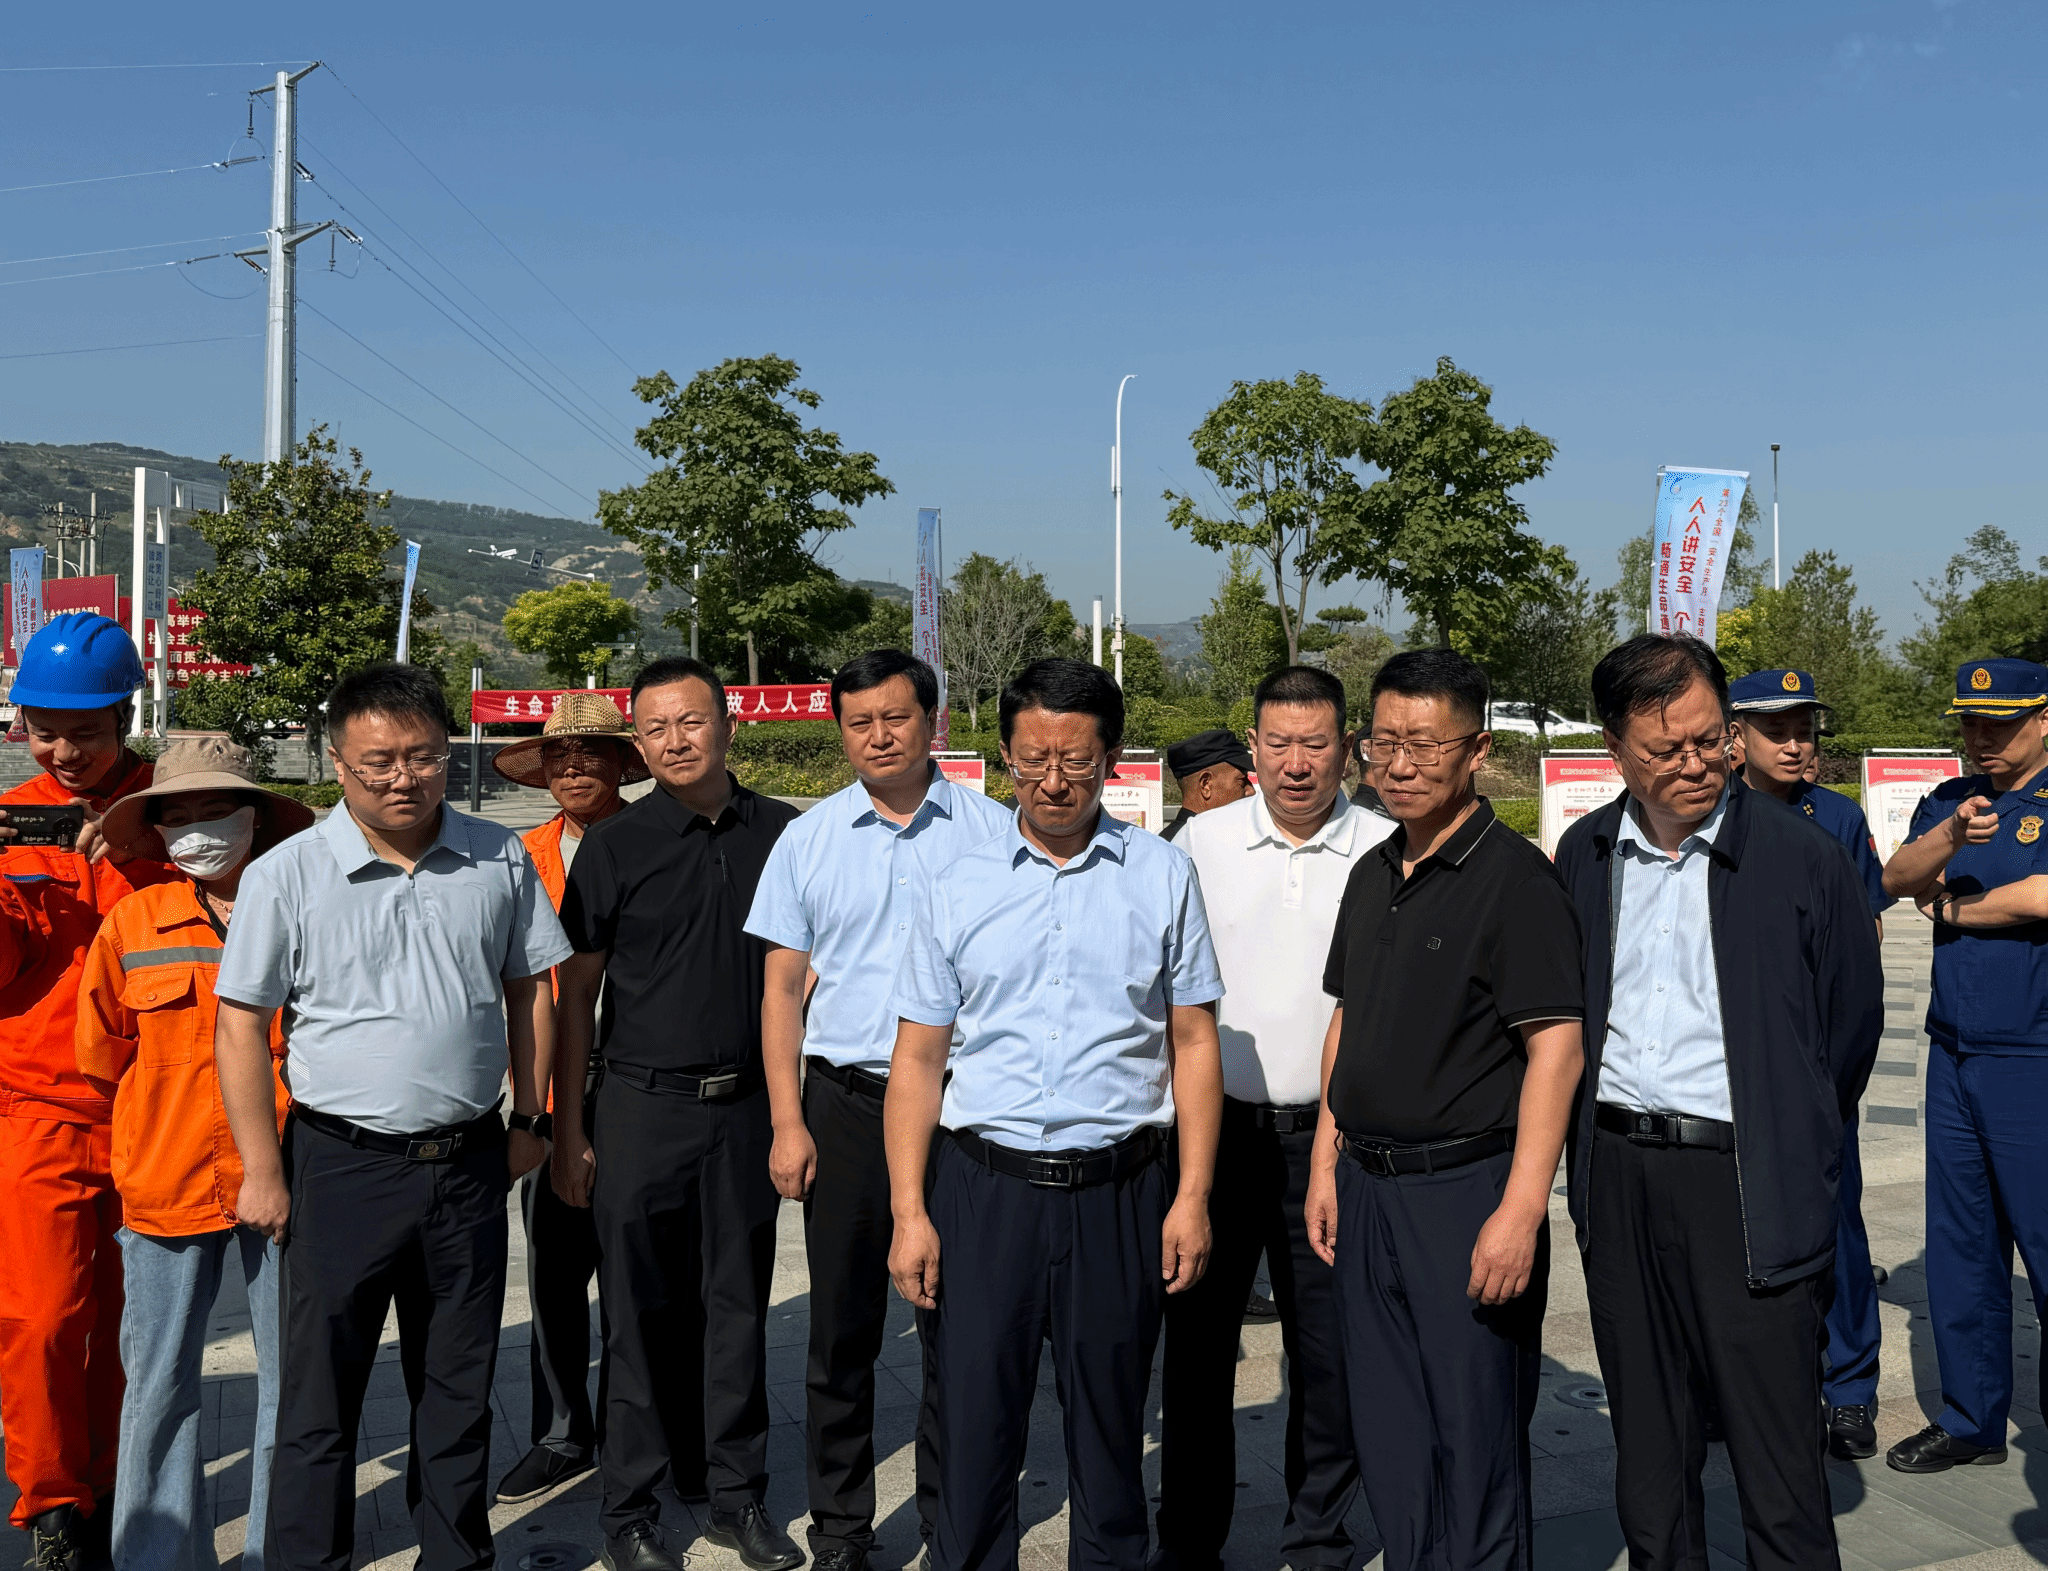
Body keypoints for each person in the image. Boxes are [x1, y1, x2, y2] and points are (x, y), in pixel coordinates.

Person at [214, 663, 569, 1571]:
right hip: (341, 1167)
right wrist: (262, 1170)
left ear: (449, 753)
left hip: (469, 1162)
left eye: (424, 755)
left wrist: (532, 1115)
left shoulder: (497, 856)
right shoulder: (287, 873)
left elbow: (531, 987)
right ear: (338, 761)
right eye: (379, 761)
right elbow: (241, 1023)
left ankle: (454, 1555)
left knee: (457, 1387)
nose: (404, 777)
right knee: (319, 1398)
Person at [886, 657, 1225, 1571]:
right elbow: (917, 1057)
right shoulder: (954, 881)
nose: (1053, 780)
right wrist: (911, 1210)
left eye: (1076, 759)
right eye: (1033, 758)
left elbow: (1194, 1042)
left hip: (1119, 1192)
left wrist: (1192, 1195)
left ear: (1111, 757)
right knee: (972, 1428)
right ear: (1004, 754)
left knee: (1111, 1433)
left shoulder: (1162, 874)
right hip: (983, 1190)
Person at [1554, 635, 1883, 1571]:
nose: (1697, 762)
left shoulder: (1802, 856)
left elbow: (1849, 1031)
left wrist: (1792, 1133)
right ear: (1615, 748)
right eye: (1667, 749)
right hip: (1619, 1174)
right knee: (1650, 1451)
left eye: (1710, 739)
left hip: (1746, 1181)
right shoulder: (1585, 853)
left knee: (1776, 1461)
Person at [1306, 648, 1585, 1571]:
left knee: (1475, 1433)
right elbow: (1346, 1021)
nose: (1400, 763)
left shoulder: (1516, 881)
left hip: (1464, 1192)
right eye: (1383, 742)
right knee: (1389, 1425)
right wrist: (1325, 1162)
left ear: (1478, 750)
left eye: (1425, 744)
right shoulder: (1372, 870)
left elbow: (1556, 1049)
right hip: (1366, 1187)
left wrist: (1520, 1210)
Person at [745, 649, 1012, 1571]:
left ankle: (950, 1518)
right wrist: (788, 1120)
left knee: (960, 1327)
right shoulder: (809, 838)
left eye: (896, 717)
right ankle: (842, 1529)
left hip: (963, 1109)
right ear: (840, 730)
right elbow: (781, 992)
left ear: (933, 721)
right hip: (847, 1105)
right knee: (842, 1328)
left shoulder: (995, 832)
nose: (879, 736)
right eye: (859, 722)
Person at [552, 656, 804, 1571]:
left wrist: (791, 1118)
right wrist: (569, 1129)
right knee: (635, 1317)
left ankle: (737, 1497)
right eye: (655, 728)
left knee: (737, 1311)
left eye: (691, 721)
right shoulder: (614, 845)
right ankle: (629, 1509)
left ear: (728, 724)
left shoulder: (785, 833)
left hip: (745, 1110)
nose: (675, 740)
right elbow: (577, 998)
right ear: (638, 741)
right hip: (639, 1108)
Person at [1156, 665, 1388, 1571]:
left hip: (1332, 1146)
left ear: (1348, 746)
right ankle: (1189, 1540)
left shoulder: (1384, 845)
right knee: (1197, 1353)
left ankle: (1318, 1539)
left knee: (1330, 1357)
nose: (1297, 764)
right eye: (1280, 743)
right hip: (1212, 1143)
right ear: (1252, 746)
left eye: (1316, 743)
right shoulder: (1198, 843)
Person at [76, 737, 314, 1571]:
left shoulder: (302, 910)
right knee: (158, 1381)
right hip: (164, 1179)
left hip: (287, 1176)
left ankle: (277, 1550)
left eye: (216, 810)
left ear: (255, 818)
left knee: (293, 1376)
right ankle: (157, 1554)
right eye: (178, 815)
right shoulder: (132, 922)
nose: (199, 828)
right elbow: (101, 1052)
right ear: (157, 831)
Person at [0, 611, 169, 1571]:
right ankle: (53, 1505)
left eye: (87, 732)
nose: (65, 752)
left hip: (161, 1109)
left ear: (125, 719)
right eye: (45, 731)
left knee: (133, 1323)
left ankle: (112, 1484)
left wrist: (139, 849)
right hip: (38, 1110)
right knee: (42, 1319)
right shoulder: (12, 824)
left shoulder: (177, 808)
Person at [1879, 657, 2048, 1474]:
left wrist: (1955, 906)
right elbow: (1897, 877)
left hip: (2034, 1054)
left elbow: (2041, 896)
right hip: (1953, 1048)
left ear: (2044, 719)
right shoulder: (1952, 800)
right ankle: (1971, 1416)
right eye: (1972, 722)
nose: (1983, 736)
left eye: (2002, 722)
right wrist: (1947, 840)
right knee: (1962, 1244)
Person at [487, 693, 650, 1504]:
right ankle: (562, 1430)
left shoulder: (659, 840)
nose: (575, 767)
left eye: (592, 752)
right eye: (559, 755)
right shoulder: (519, 857)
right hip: (551, 1085)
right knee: (554, 1269)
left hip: (643, 1082)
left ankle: (638, 1427)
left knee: (639, 1271)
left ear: (624, 762)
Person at [1730, 666, 1894, 1460]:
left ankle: (1850, 1388)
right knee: (1734, 1235)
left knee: (1838, 1231)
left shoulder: (1838, 817)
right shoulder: (1707, 816)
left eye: (1805, 729)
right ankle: (1747, 1389)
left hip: (1815, 1067)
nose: (1797, 744)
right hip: (1730, 1067)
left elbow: (1866, 945)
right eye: (1778, 730)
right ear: (1735, 738)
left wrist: (1835, 1079)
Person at [1161, 728, 1253, 841]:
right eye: (1242, 781)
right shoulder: (1184, 845)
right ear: (1206, 784)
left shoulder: (1166, 842)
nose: (1251, 791)